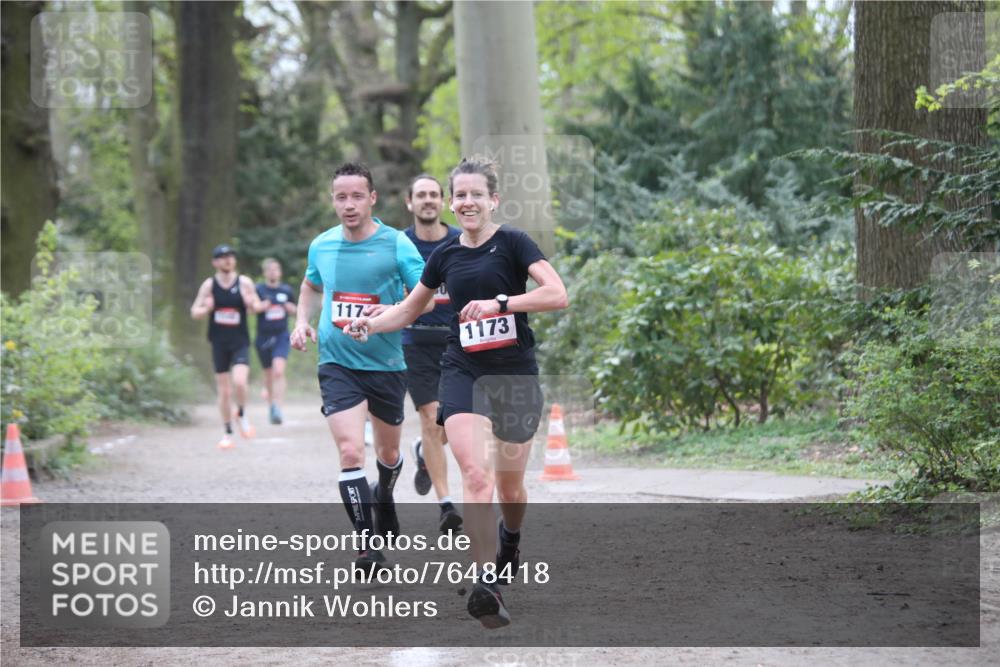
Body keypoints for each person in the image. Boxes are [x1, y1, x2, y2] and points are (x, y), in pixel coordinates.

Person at [343, 156, 569, 628]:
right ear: (452, 201)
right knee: (475, 473)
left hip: (514, 375)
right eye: (459, 195)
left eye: (475, 195)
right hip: (462, 368)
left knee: (511, 487)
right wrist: (369, 322)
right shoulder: (444, 254)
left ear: (493, 200)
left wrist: (502, 301)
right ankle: (486, 581)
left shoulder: (513, 243)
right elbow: (407, 311)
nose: (466, 202)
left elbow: (556, 294)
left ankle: (511, 539)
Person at [290, 162, 428, 572]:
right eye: (340, 197)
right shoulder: (322, 245)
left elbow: (424, 296)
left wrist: (390, 311)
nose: (348, 205)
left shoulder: (398, 245)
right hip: (337, 361)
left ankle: (384, 493)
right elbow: (311, 285)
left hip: (386, 363)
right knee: (351, 452)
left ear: (372, 199)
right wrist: (301, 321)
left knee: (387, 454)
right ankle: (367, 548)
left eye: (356, 196)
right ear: (332, 201)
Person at [402, 174, 463, 534]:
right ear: (409, 202)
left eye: (434, 195)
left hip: (457, 342)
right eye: (420, 195)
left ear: (443, 202)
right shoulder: (400, 244)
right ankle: (446, 505)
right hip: (414, 343)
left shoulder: (460, 240)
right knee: (431, 418)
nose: (427, 200)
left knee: (451, 424)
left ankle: (425, 452)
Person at [190, 244, 262, 449]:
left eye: (230, 256)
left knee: (239, 382)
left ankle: (241, 413)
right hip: (218, 342)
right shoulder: (209, 285)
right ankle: (227, 432)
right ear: (215, 262)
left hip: (240, 341)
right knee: (224, 390)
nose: (227, 260)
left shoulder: (244, 283)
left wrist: (251, 303)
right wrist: (207, 308)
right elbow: (194, 311)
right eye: (222, 257)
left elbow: (257, 306)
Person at [255, 258, 296, 425]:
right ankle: (271, 406)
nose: (273, 272)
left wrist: (286, 306)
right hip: (263, 336)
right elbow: (252, 308)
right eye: (269, 270)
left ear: (280, 272)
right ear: (265, 273)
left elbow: (296, 310)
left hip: (281, 335)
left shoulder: (286, 290)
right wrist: (264, 305)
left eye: (276, 269)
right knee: (268, 374)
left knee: (278, 371)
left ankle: (278, 407)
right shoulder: (258, 289)